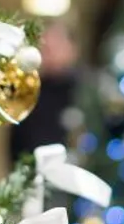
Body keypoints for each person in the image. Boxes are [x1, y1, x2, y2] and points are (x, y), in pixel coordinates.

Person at [9, 21, 81, 163]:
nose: (49, 53)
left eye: (56, 46)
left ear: (72, 49)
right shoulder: (30, 90)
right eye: (46, 48)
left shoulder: (84, 91)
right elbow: (17, 140)